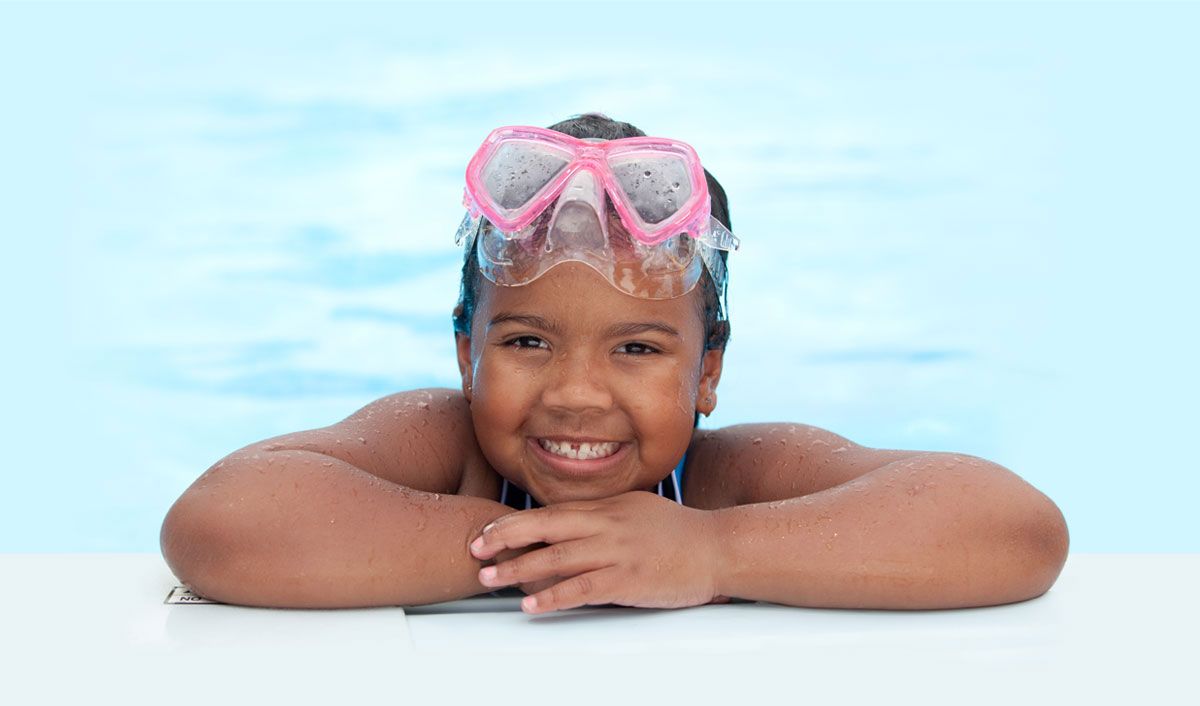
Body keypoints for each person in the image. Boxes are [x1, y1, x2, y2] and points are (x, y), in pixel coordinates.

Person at [160, 113, 1069, 613]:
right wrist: (556, 556)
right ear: (465, 354)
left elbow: (1015, 528)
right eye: (524, 342)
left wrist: (713, 551)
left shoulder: (728, 483)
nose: (576, 394)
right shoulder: (443, 446)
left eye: (637, 348)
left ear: (707, 372)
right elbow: (221, 523)